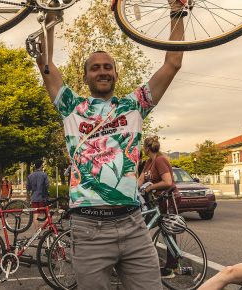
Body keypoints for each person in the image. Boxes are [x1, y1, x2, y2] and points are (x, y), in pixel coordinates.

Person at [35, 2, 186, 288]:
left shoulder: (134, 105)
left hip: (133, 224)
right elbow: (46, 64)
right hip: (89, 228)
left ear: (116, 74)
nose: (102, 72)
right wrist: (50, 15)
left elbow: (172, 64)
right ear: (85, 77)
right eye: (95, 68)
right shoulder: (71, 107)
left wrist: (178, 11)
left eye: (108, 67)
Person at [138, 135, 181, 278]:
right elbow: (141, 179)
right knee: (144, 225)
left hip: (169, 198)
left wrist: (151, 188)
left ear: (146, 148)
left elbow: (168, 182)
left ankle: (171, 268)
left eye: (143, 147)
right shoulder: (149, 162)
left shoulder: (160, 160)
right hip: (158, 200)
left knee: (168, 230)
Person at [26, 159, 49, 230]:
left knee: (35, 215)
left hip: (34, 198)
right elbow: (47, 185)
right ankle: (48, 232)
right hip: (43, 198)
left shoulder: (30, 176)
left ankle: (37, 232)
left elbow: (28, 188)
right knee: (48, 215)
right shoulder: (44, 175)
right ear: (41, 166)